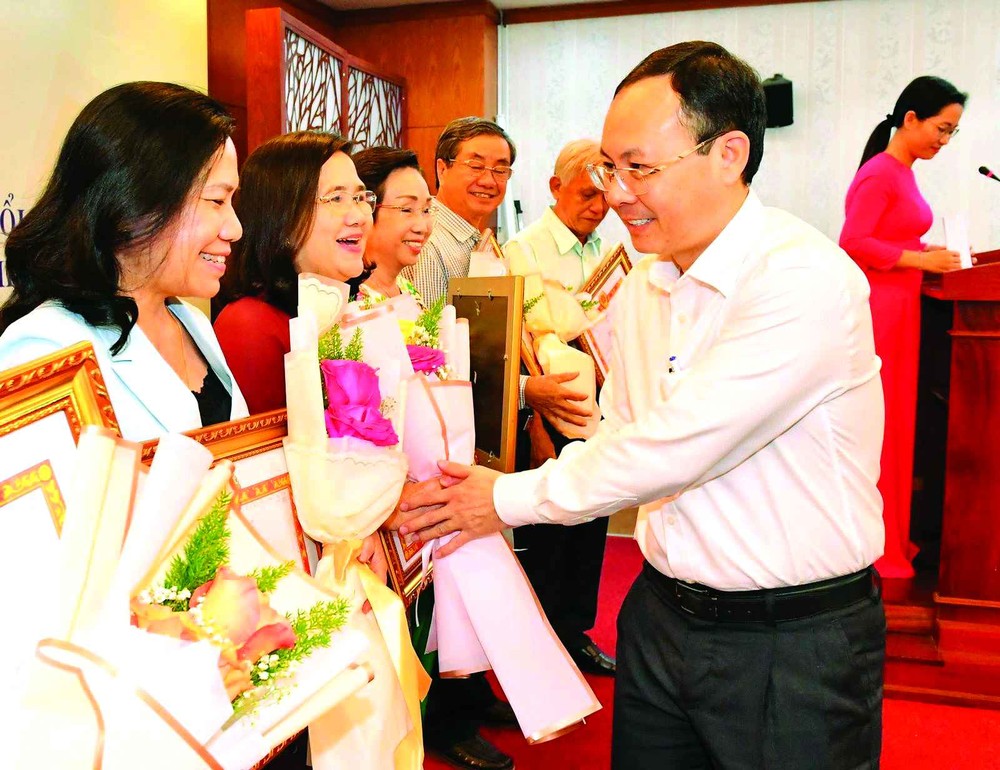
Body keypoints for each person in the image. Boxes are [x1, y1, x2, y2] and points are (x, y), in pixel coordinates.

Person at [399, 41, 888, 770]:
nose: (618, 192)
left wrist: (502, 499)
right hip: (662, 618)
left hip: (788, 639)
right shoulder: (646, 285)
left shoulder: (801, 279)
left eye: (640, 168)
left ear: (729, 154)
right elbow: (625, 434)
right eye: (609, 166)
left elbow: (677, 447)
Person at [0, 81, 248, 440]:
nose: (235, 229)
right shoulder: (47, 347)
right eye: (215, 200)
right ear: (132, 205)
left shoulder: (193, 322)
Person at [839, 76, 967, 579]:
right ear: (910, 118)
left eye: (952, 132)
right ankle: (879, 545)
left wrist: (927, 254)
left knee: (900, 427)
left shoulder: (904, 172)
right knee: (885, 430)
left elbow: (890, 237)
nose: (944, 140)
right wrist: (920, 258)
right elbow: (854, 241)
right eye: (941, 127)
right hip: (884, 312)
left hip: (905, 304)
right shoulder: (881, 172)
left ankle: (895, 537)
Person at [502, 139, 616, 675]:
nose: (597, 206)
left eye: (604, 197)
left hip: (601, 397)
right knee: (550, 523)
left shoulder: (603, 248)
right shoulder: (523, 249)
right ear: (554, 188)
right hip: (553, 395)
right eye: (586, 194)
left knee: (593, 516)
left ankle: (576, 630)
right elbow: (529, 331)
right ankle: (543, 639)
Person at [214, 131, 375, 415]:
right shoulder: (250, 325)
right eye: (336, 198)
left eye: (361, 197)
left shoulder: (346, 311)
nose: (360, 215)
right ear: (283, 219)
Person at [351, 147, 433, 306]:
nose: (422, 227)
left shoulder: (406, 288)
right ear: (365, 208)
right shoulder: (350, 302)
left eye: (426, 210)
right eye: (407, 209)